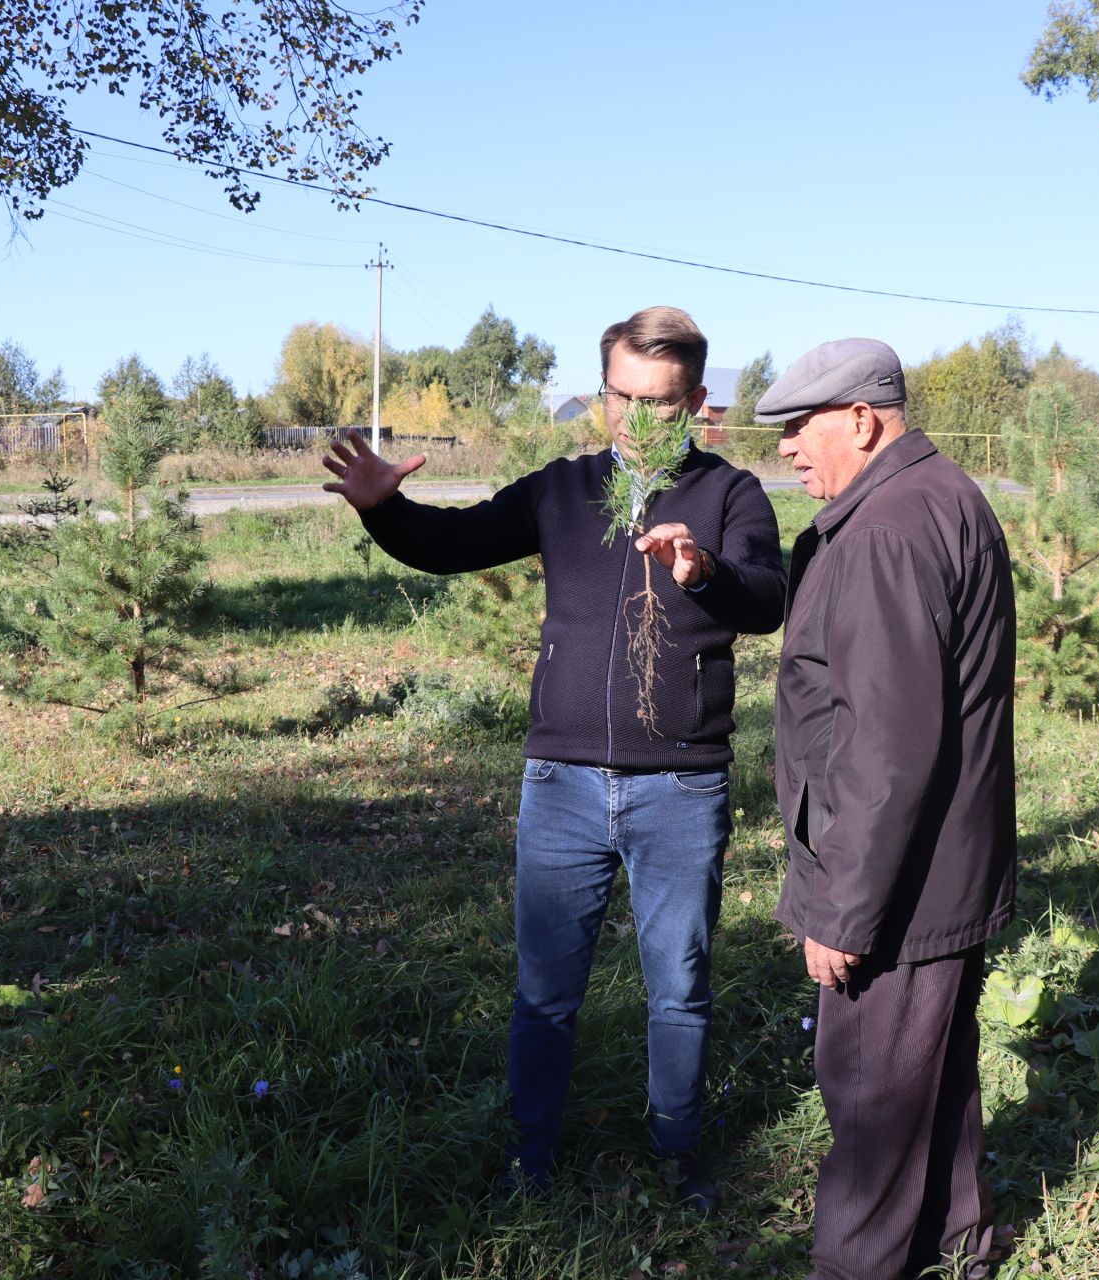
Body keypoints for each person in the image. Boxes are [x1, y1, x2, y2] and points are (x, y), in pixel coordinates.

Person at [321, 306, 786, 1208]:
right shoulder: (561, 490)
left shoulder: (731, 496)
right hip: (560, 786)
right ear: (601, 390)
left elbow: (767, 599)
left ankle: (678, 1155)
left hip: (681, 787)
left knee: (679, 988)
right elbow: (453, 543)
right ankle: (530, 1161)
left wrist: (704, 573)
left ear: (693, 400)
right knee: (544, 995)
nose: (634, 419)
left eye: (658, 403)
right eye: (619, 396)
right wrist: (387, 512)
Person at [757, 338, 1017, 1279]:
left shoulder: (881, 532)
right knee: (935, 1082)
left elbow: (884, 751)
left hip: (896, 891)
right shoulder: (943, 494)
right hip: (944, 870)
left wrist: (840, 912)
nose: (786, 448)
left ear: (861, 420)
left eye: (798, 428)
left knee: (869, 1108)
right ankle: (959, 1251)